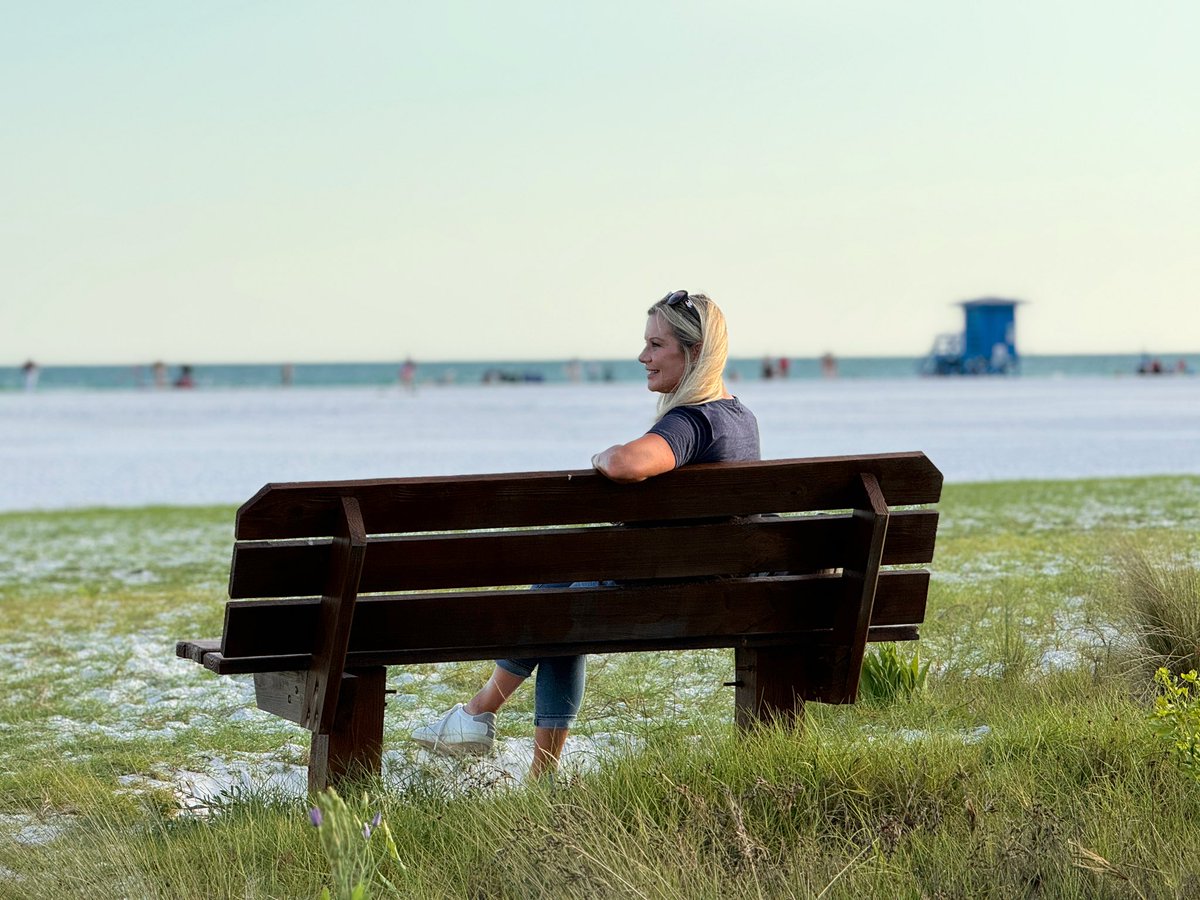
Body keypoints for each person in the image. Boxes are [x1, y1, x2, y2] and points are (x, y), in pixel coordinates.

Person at [410, 289, 761, 778]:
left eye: (656, 345)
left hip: (661, 601)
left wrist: (604, 455)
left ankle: (483, 718)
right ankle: (494, 729)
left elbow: (624, 463)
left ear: (695, 352)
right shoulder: (741, 419)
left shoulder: (692, 422)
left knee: (558, 602)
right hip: (717, 594)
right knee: (563, 591)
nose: (643, 357)